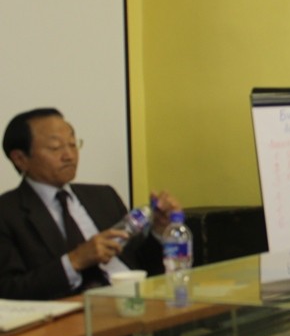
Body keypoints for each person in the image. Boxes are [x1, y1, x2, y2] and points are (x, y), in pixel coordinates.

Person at [0, 108, 181, 301]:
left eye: (73, 144)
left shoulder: (103, 196)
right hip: (72, 313)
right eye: (55, 147)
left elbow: (139, 263)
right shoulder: (7, 212)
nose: (69, 155)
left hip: (136, 302)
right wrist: (75, 261)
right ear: (20, 159)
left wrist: (160, 231)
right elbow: (8, 290)